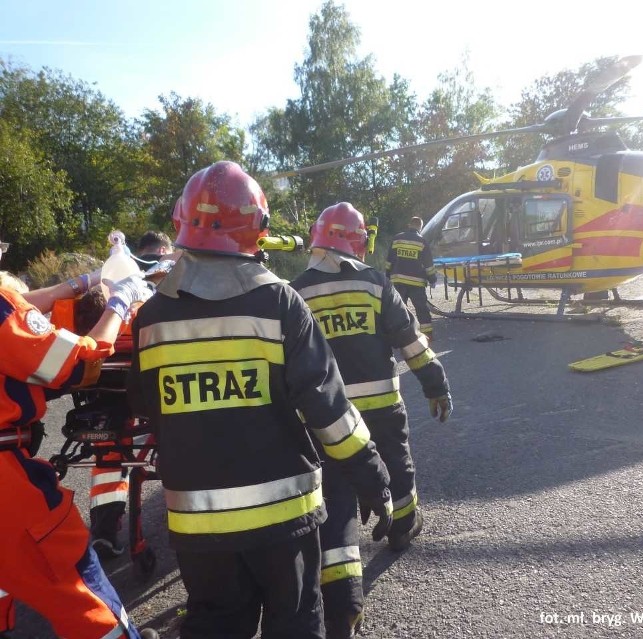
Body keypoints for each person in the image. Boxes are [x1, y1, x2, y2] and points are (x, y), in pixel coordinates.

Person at [126, 161, 393, 639]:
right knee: (294, 623)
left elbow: (145, 407)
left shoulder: (149, 318)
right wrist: (373, 477)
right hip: (283, 522)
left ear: (179, 223)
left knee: (215, 624)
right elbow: (329, 412)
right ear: (258, 229)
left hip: (198, 528)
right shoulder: (281, 305)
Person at [291, 202, 452, 638]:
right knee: (397, 463)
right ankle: (402, 525)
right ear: (360, 241)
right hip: (381, 404)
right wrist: (435, 383)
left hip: (326, 416)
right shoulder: (377, 284)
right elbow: (410, 342)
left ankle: (341, 588)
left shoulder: (296, 292)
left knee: (334, 491)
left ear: (317, 238)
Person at [0, 240, 158, 638]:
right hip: (8, 486)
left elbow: (18, 306)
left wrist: (77, 284)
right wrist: (119, 301)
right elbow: (77, 363)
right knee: (81, 588)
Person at [89, 230, 176, 559]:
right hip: (152, 372)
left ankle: (104, 531)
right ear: (164, 250)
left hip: (108, 375)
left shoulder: (115, 275)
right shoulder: (169, 270)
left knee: (108, 452)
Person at [384, 216, 439, 341]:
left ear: (409, 225)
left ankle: (397, 337)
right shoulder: (422, 241)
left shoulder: (397, 239)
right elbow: (428, 264)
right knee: (422, 310)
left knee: (398, 310)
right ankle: (428, 336)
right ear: (420, 227)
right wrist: (433, 279)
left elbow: (389, 261)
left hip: (397, 281)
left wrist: (387, 275)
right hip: (416, 283)